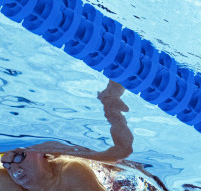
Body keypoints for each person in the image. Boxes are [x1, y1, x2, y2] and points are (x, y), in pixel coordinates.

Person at [0, 80, 134, 191]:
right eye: (7, 164)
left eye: (18, 158)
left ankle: (110, 100)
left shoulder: (70, 173)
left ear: (40, 153)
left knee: (120, 154)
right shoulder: (6, 181)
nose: (15, 170)